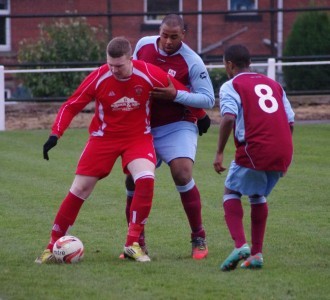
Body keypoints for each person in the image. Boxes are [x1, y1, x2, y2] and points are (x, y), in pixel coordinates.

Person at [35, 36, 192, 264]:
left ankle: (132, 244)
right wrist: (55, 134)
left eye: (119, 65)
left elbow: (178, 91)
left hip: (138, 138)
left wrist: (200, 116)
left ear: (131, 59)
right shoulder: (99, 76)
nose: (114, 70)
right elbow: (71, 105)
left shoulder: (148, 72)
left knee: (146, 178)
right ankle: (51, 246)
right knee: (79, 189)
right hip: (103, 138)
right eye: (110, 64)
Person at [121, 14, 215, 260]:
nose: (168, 41)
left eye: (174, 36)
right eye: (164, 35)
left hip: (177, 125)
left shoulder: (192, 61)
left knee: (182, 173)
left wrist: (176, 95)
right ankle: (136, 242)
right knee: (133, 179)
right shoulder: (143, 45)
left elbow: (207, 99)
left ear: (184, 34)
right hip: (144, 125)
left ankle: (198, 237)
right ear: (159, 31)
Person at [213, 44, 294, 270]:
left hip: (255, 148)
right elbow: (290, 120)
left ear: (229, 64)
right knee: (257, 194)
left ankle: (241, 245)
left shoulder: (232, 85)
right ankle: (257, 255)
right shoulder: (274, 84)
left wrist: (219, 151)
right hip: (283, 148)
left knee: (231, 191)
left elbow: (228, 118)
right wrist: (285, 156)